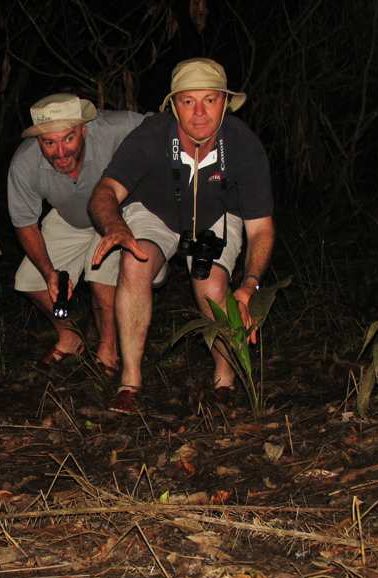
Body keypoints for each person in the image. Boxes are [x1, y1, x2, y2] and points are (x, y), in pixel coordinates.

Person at [89, 58, 275, 413]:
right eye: (188, 101)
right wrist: (114, 226)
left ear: (225, 102)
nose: (200, 112)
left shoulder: (243, 145)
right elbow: (105, 191)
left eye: (210, 100)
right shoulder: (152, 134)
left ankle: (225, 380)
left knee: (211, 283)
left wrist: (249, 286)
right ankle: (129, 382)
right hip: (155, 213)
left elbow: (261, 228)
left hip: (213, 218)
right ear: (174, 105)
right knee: (134, 260)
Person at [8, 93, 145, 375]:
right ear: (38, 141)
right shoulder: (24, 164)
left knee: (99, 278)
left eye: (68, 138)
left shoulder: (114, 128)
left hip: (115, 214)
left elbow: (164, 129)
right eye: (49, 142)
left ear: (84, 129)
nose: (60, 152)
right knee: (29, 280)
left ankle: (109, 349)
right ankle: (70, 336)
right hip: (69, 217)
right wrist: (49, 272)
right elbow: (25, 224)